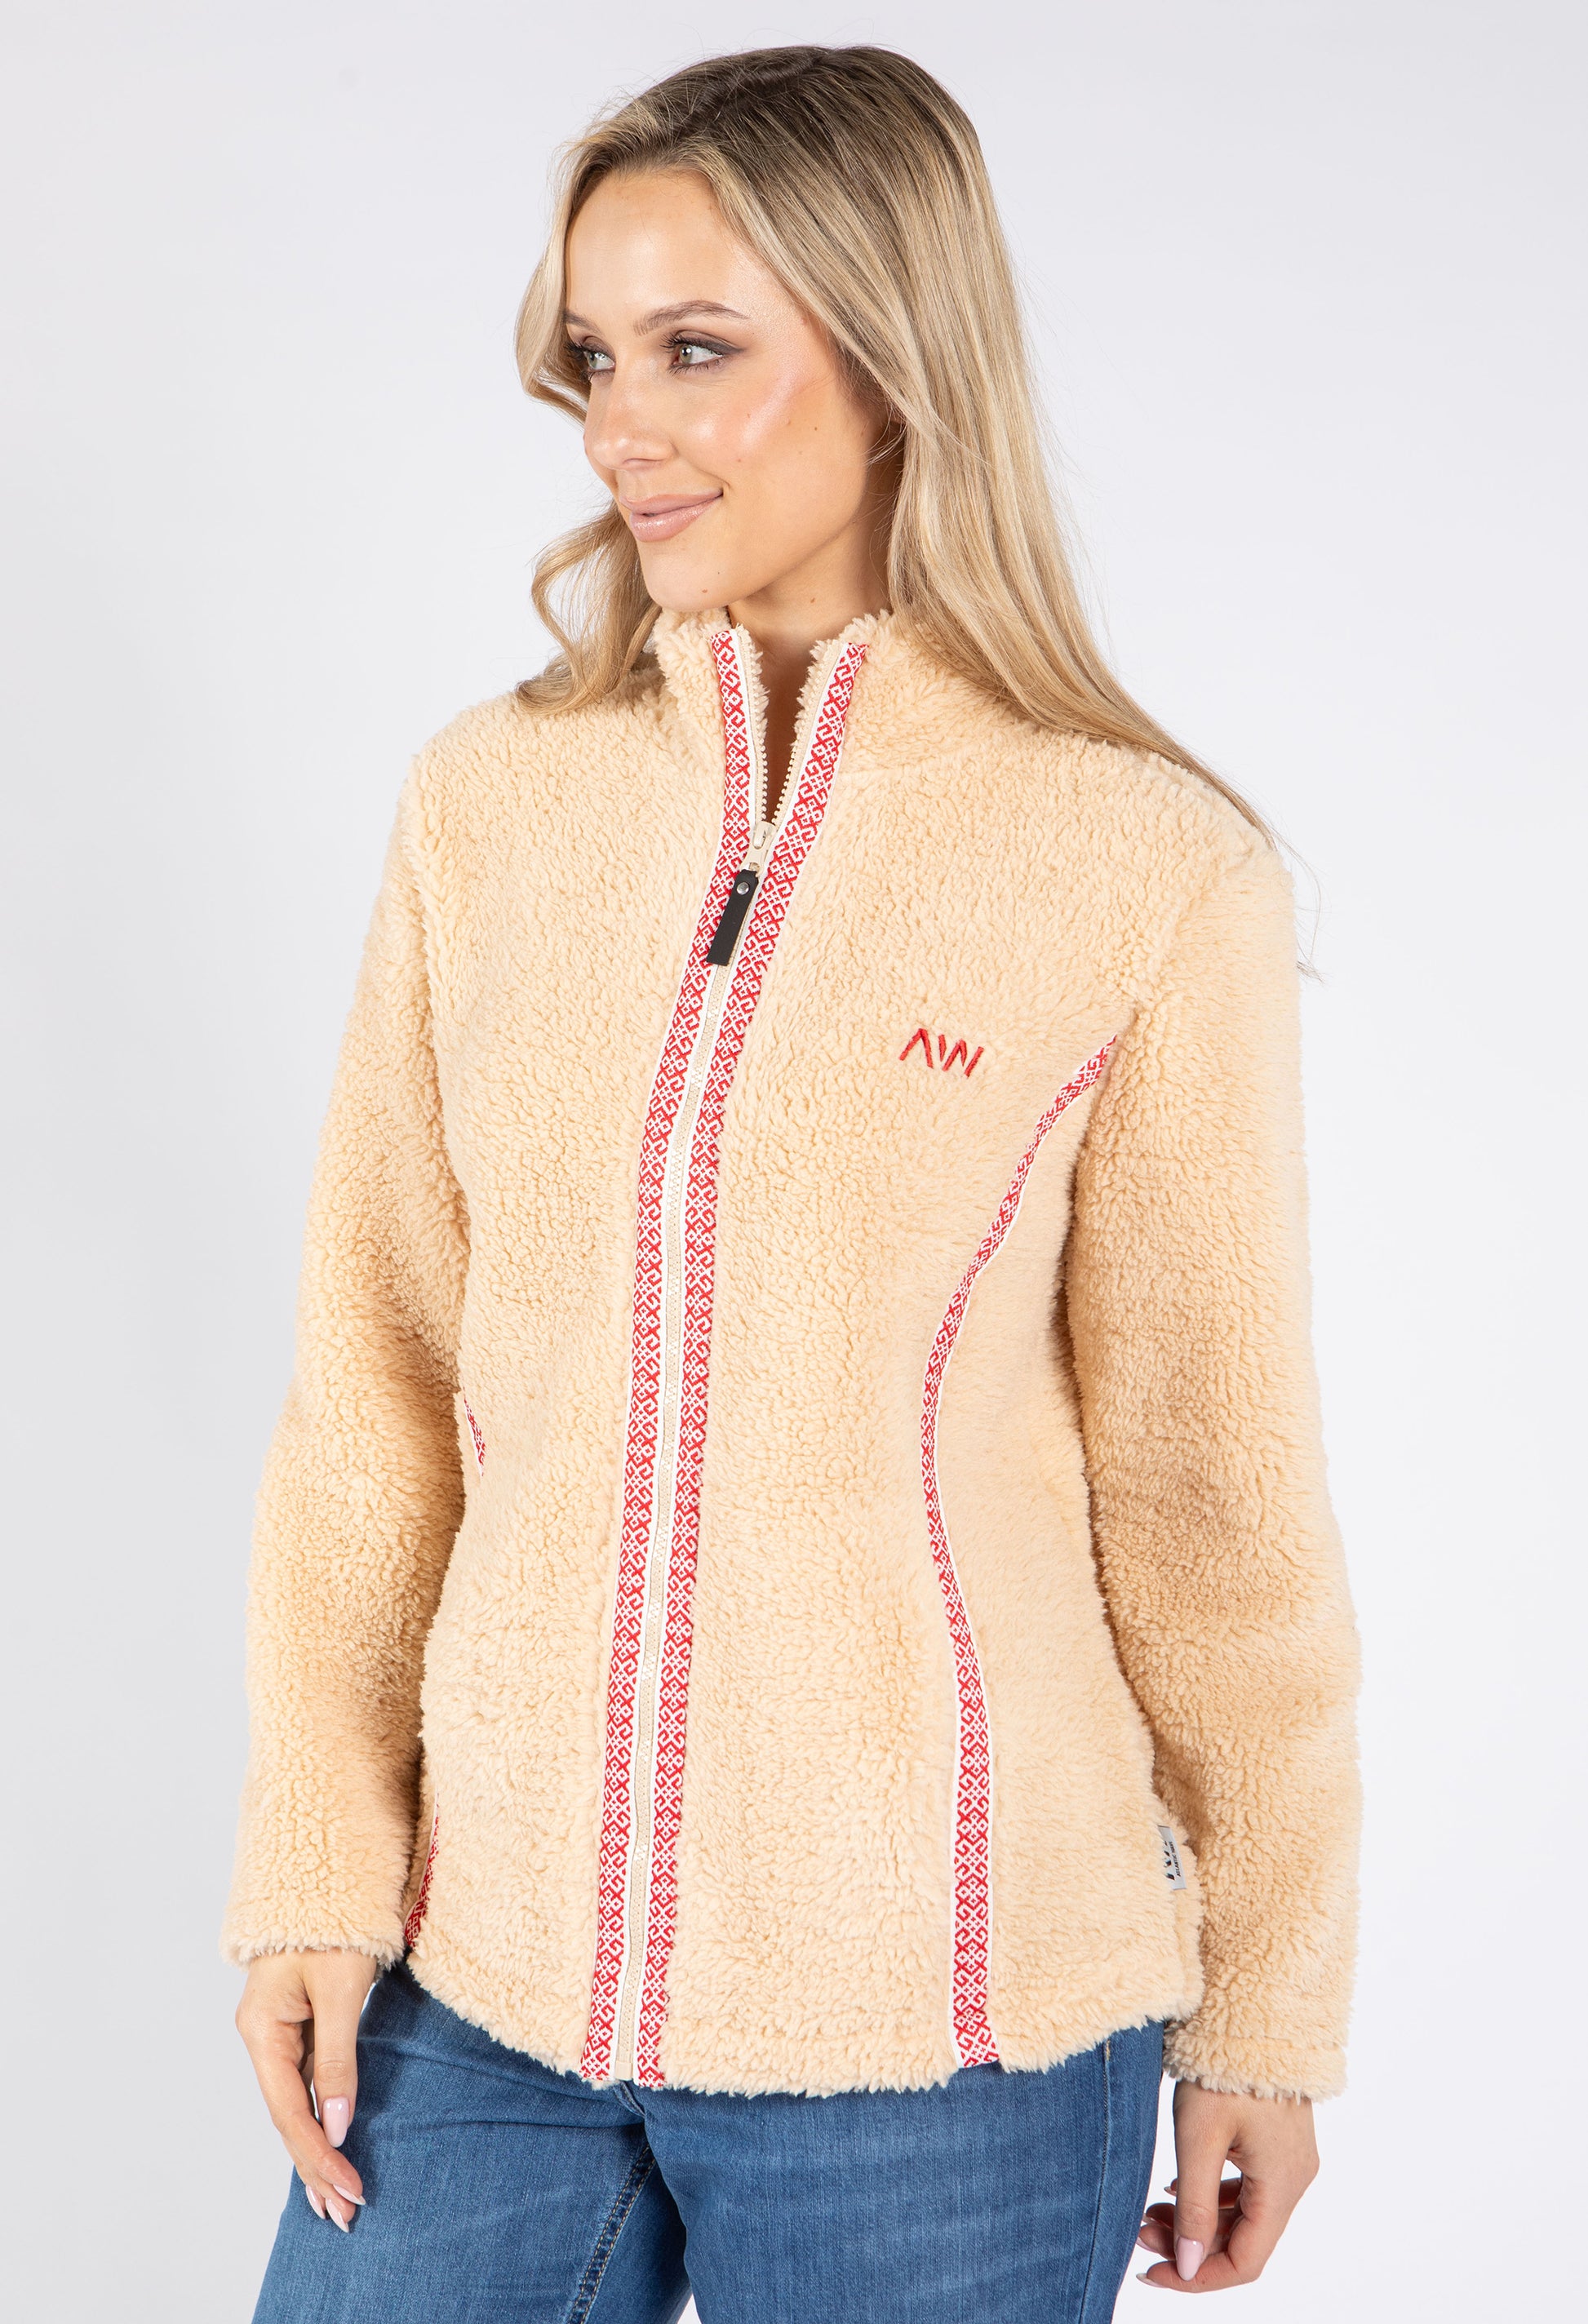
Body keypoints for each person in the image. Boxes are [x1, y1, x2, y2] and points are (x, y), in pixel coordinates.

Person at [228, 43, 1360, 2323]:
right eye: (592, 356)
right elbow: (375, 1386)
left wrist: (1268, 2001)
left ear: (893, 353)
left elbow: (1208, 1485)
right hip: (483, 1968)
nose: (615, 426)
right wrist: (316, 1861)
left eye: (694, 349)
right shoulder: (490, 809)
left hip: (950, 2023)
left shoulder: (1139, 865)